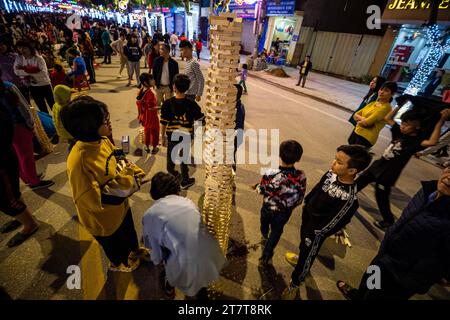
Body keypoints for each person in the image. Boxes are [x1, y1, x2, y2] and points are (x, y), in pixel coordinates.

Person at [61, 96, 149, 272]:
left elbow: (119, 158)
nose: (109, 123)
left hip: (120, 207)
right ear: (89, 127)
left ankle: (133, 250)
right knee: (114, 245)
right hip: (103, 219)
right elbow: (92, 201)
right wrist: (129, 180)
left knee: (129, 232)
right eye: (105, 120)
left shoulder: (102, 139)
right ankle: (119, 264)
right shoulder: (80, 161)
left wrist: (130, 172)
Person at [337, 165, 450, 300]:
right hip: (385, 255)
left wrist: (414, 280)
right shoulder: (427, 190)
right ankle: (359, 296)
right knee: (370, 282)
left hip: (402, 276)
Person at [282, 145, 372, 299]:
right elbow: (318, 188)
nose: (333, 163)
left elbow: (335, 222)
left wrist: (317, 232)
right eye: (335, 158)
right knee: (304, 246)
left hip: (316, 231)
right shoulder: (331, 173)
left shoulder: (349, 198)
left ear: (352, 171)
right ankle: (303, 258)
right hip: (309, 216)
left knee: (308, 252)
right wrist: (307, 202)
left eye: (339, 162)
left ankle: (295, 283)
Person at [355, 107, 450, 231]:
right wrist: (400, 105)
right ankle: (344, 198)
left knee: (381, 196)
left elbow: (433, 142)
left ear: (417, 127)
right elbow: (387, 118)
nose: (403, 126)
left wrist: (440, 121)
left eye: (407, 124)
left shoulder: (416, 142)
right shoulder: (398, 133)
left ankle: (388, 221)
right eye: (403, 122)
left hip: (388, 174)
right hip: (378, 166)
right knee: (358, 183)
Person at [142, 172, 227, 299]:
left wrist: (157, 259)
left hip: (182, 263)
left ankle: (169, 290)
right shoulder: (188, 203)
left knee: (169, 269)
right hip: (208, 256)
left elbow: (154, 247)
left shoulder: (151, 214)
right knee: (200, 289)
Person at [253, 140, 307, 266]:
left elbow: (262, 189)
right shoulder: (301, 175)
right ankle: (267, 254)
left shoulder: (271, 173)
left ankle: (264, 234)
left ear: (279, 155)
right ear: (298, 158)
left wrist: (256, 187)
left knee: (264, 223)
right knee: (277, 231)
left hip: (268, 208)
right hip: (284, 212)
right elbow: (300, 196)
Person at [1, 70, 54, 190]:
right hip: (18, 126)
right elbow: (23, 107)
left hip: (4, 129)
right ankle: (34, 182)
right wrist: (31, 125)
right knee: (26, 156)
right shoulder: (8, 87)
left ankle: (27, 177)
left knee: (16, 155)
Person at [0, 95, 39, 248]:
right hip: (5, 156)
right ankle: (23, 218)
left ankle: (29, 224)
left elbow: (18, 115)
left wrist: (30, 128)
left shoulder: (7, 93)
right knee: (12, 193)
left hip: (2, 159)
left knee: (7, 198)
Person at [160, 74, 204, 190]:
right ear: (187, 88)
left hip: (172, 137)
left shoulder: (167, 104)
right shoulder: (192, 105)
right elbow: (201, 120)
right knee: (184, 159)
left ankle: (175, 175)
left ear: (174, 87)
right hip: (186, 137)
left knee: (170, 162)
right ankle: (185, 180)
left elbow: (163, 122)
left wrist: (162, 137)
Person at [348, 81, 397, 148]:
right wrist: (363, 119)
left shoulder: (386, 108)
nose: (381, 92)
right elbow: (355, 115)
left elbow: (367, 122)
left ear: (392, 94)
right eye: (381, 89)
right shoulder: (373, 103)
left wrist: (361, 120)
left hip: (366, 138)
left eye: (386, 91)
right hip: (356, 132)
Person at [14, 40, 54, 113]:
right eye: (20, 48)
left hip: (45, 84)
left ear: (29, 48)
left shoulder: (39, 58)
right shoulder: (20, 59)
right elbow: (16, 71)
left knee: (53, 105)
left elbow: (43, 73)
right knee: (42, 109)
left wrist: (25, 71)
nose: (22, 50)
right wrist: (33, 71)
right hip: (33, 87)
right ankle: (49, 123)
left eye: (24, 48)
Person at [136, 73, 159, 154]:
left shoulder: (142, 90)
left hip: (144, 115)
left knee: (147, 131)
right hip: (151, 116)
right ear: (146, 83)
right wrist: (160, 107)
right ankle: (155, 147)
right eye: (151, 79)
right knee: (155, 131)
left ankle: (146, 146)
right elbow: (151, 107)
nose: (154, 81)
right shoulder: (150, 93)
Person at [153, 42, 179, 107]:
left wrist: (175, 87)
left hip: (169, 87)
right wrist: (154, 83)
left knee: (169, 105)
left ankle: (166, 117)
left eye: (162, 49)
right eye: (159, 49)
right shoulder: (157, 61)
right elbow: (154, 73)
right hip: (159, 87)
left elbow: (176, 76)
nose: (160, 51)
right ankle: (158, 117)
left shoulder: (174, 63)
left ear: (168, 51)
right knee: (157, 104)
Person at [52, 84, 75, 151]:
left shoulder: (56, 105)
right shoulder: (65, 108)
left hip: (62, 130)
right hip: (69, 131)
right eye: (68, 97)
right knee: (73, 144)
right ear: (63, 97)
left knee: (70, 142)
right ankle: (72, 154)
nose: (70, 98)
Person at [233, 84, 245, 172]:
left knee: (230, 157)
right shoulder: (241, 105)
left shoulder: (236, 109)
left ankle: (231, 175)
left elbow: (239, 127)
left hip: (235, 137)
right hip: (238, 137)